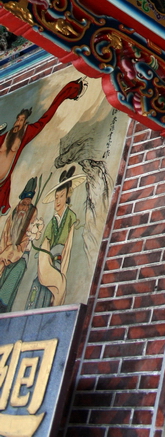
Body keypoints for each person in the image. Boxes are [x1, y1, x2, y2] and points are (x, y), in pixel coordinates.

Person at [0, 79, 85, 215]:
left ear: (25, 122)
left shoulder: (27, 132)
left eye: (21, 120)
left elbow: (46, 117)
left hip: (2, 184)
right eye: (17, 119)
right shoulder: (4, 137)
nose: (17, 123)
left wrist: (67, 93)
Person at [26, 166, 84, 309]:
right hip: (47, 263)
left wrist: (62, 272)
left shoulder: (71, 217)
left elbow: (68, 248)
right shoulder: (51, 223)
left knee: (58, 290)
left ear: (68, 195)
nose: (57, 201)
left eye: (61, 196)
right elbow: (45, 246)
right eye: (56, 197)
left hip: (60, 263)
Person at [0, 177, 40, 313]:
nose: (24, 208)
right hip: (4, 257)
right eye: (23, 204)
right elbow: (4, 239)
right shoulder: (12, 217)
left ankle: (2, 304)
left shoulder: (31, 217)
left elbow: (25, 241)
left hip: (19, 257)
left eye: (27, 205)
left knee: (17, 271)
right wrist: (5, 256)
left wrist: (12, 254)